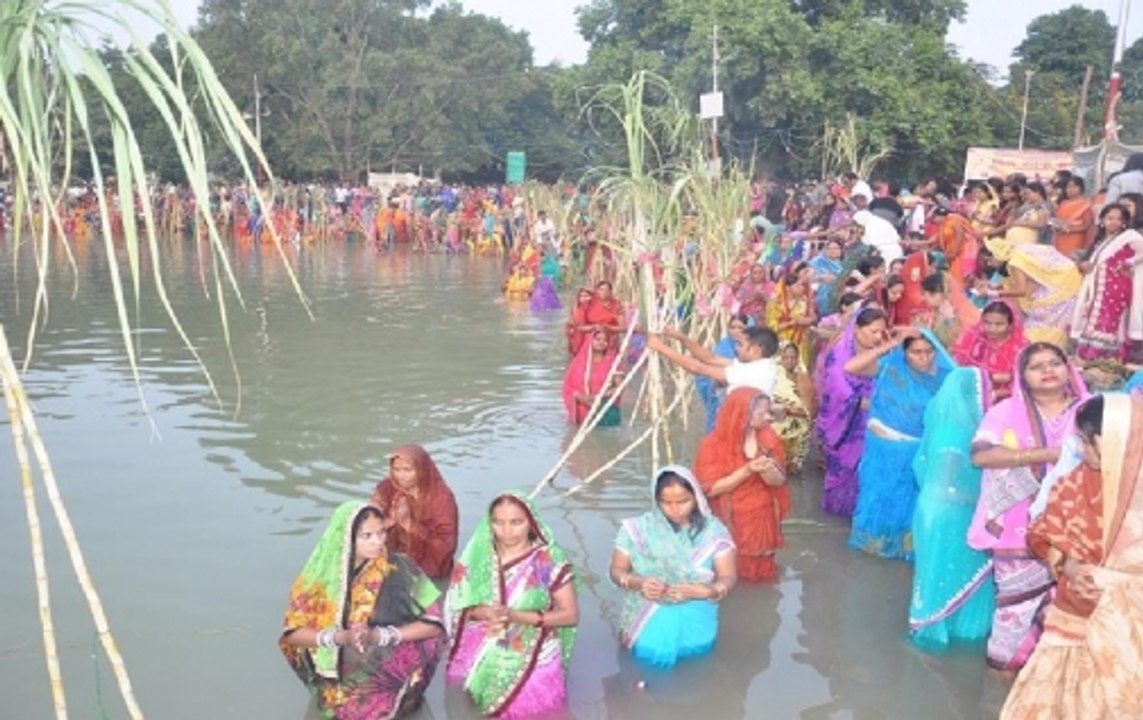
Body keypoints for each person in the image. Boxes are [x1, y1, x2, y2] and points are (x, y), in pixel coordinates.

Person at [1000, 394, 1143, 720]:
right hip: (1072, 620)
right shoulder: (1078, 480)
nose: (1080, 449)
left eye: (1088, 441)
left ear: (1119, 441)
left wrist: (1114, 584)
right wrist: (1067, 563)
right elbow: (1041, 531)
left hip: (1129, 630)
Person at [968, 343, 1090, 673]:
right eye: (1037, 366)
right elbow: (981, 455)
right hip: (1017, 527)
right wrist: (1049, 455)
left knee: (1071, 614)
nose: (1048, 370)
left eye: (1055, 363)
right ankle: (1001, 681)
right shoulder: (1007, 410)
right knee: (1013, 615)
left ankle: (1048, 684)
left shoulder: (1091, 409)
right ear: (1022, 375)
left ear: (1068, 368)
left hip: (1079, 529)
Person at [280, 502, 446, 720]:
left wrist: (380, 635)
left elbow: (435, 624)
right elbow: (292, 634)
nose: (377, 542)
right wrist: (341, 637)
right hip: (340, 668)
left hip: (386, 666)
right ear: (345, 538)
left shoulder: (401, 567)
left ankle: (394, 701)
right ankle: (337, 696)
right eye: (366, 536)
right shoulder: (319, 577)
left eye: (381, 533)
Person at [445, 492, 578, 719]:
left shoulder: (547, 558)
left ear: (531, 522)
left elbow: (570, 615)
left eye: (516, 522)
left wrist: (516, 617)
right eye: (498, 522)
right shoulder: (478, 556)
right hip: (482, 644)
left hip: (534, 646)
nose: (507, 531)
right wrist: (485, 612)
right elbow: (456, 608)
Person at [609, 465, 737, 668]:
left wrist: (708, 591)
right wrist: (639, 583)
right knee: (645, 667)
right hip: (647, 617)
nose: (675, 510)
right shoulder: (638, 529)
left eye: (683, 501)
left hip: (696, 617)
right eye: (666, 502)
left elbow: (728, 576)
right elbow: (617, 571)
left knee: (698, 668)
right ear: (656, 500)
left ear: (696, 497)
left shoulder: (713, 532)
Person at [844, 328, 955, 560]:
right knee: (882, 496)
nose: (923, 358)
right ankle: (878, 543)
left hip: (920, 448)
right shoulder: (890, 368)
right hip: (884, 449)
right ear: (904, 353)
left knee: (912, 499)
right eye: (916, 352)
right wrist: (890, 345)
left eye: (929, 352)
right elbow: (851, 367)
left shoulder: (946, 378)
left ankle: (908, 544)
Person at [909, 368, 997, 651]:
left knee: (934, 572)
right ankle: (960, 634)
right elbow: (950, 481)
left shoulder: (940, 425)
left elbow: (923, 467)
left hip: (930, 510)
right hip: (954, 512)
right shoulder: (962, 433)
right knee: (955, 569)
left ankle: (933, 629)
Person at [693, 387, 790, 582]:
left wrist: (769, 470)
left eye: (768, 411)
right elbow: (710, 490)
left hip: (762, 518)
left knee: (762, 574)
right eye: (761, 413)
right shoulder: (712, 445)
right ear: (742, 415)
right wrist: (747, 470)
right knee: (728, 572)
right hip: (728, 518)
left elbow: (779, 481)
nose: (768, 418)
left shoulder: (768, 437)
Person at [815, 306, 885, 516]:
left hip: (873, 417)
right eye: (873, 331)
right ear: (857, 328)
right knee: (847, 463)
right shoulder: (840, 353)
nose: (878, 337)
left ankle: (863, 508)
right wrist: (859, 402)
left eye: (881, 332)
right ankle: (843, 507)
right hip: (848, 418)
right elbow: (836, 387)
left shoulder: (879, 352)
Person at [370, 445, 459, 582]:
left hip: (428, 568)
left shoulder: (441, 499)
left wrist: (408, 523)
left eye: (407, 470)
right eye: (396, 470)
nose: (401, 476)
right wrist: (387, 520)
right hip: (390, 562)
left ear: (421, 469)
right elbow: (370, 517)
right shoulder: (386, 488)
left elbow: (446, 543)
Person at [1071, 203, 1143, 362]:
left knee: (1108, 322)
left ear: (1124, 222)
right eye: (1110, 218)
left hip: (1117, 288)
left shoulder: (1130, 236)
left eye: (1119, 219)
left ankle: (1107, 359)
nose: (1114, 222)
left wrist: (1128, 263)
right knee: (1095, 319)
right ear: (1102, 220)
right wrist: (1084, 265)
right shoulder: (1102, 240)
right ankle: (1091, 358)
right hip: (1099, 289)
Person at [986, 238, 1081, 348]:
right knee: (1048, 322)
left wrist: (994, 293)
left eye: (990, 260)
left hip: (1062, 287)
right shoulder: (1016, 252)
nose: (989, 264)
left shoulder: (1015, 263)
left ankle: (1040, 348)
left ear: (998, 255)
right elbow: (1024, 279)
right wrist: (997, 287)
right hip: (1064, 281)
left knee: (1044, 319)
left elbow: (1021, 290)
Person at [646, 325, 779, 397]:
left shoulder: (754, 372)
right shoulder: (759, 364)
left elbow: (698, 368)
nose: (736, 348)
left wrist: (660, 347)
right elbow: (710, 358)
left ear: (755, 350)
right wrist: (681, 337)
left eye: (740, 344)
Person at [952, 300, 1028, 403]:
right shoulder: (973, 337)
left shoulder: (1021, 348)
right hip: (970, 394)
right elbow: (958, 369)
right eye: (987, 323)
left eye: (999, 324)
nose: (992, 329)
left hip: (1007, 401)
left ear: (1010, 325)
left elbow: (1026, 382)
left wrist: (996, 393)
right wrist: (989, 378)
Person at [695, 314, 750, 432]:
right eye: (732, 327)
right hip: (724, 397)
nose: (736, 331)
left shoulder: (755, 348)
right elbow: (709, 370)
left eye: (740, 328)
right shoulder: (723, 347)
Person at [562, 328, 624, 427]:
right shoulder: (578, 363)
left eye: (605, 340)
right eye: (598, 339)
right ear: (590, 341)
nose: (601, 342)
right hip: (581, 412)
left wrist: (600, 397)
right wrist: (581, 397)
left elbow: (620, 387)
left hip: (605, 411)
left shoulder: (614, 363)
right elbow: (568, 387)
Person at [774, 341, 815, 474]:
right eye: (785, 357)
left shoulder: (802, 377)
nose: (789, 361)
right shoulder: (774, 376)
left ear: (798, 359)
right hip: (776, 417)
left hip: (798, 418)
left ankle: (793, 461)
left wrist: (791, 411)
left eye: (793, 357)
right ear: (780, 357)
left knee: (803, 425)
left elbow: (810, 409)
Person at [765, 271, 816, 369]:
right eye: (797, 285)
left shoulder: (804, 300)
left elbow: (813, 317)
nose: (802, 288)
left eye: (802, 285)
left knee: (801, 370)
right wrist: (793, 323)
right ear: (787, 288)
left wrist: (808, 321)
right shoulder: (775, 303)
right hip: (782, 343)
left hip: (801, 343)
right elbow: (771, 327)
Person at [1052, 176, 1095, 259]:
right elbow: (1058, 219)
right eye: (1068, 187)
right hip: (1059, 238)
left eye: (1073, 186)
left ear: (1081, 188)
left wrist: (1068, 229)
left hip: (1075, 239)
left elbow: (1087, 225)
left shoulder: (1086, 204)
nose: (1069, 189)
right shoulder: (1063, 203)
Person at [565, 288, 595, 356]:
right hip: (578, 337)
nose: (583, 298)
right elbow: (577, 326)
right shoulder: (577, 308)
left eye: (586, 296)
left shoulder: (594, 308)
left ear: (591, 297)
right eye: (581, 296)